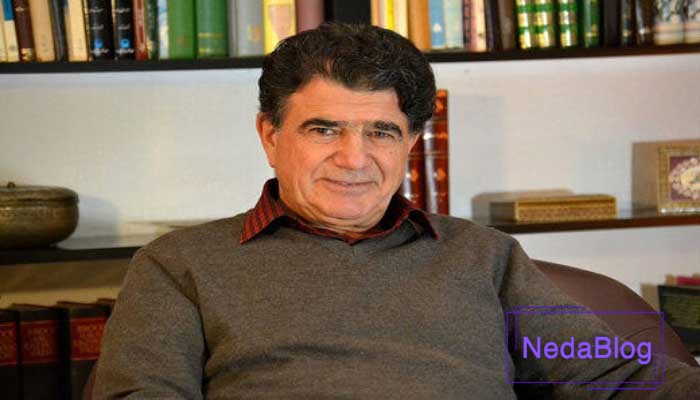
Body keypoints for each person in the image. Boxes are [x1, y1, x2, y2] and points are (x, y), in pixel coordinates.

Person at [93, 23, 700, 399]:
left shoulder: (485, 257)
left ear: (410, 144)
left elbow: (612, 376)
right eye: (324, 129)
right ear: (270, 136)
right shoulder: (178, 265)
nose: (353, 158)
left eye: (381, 132)